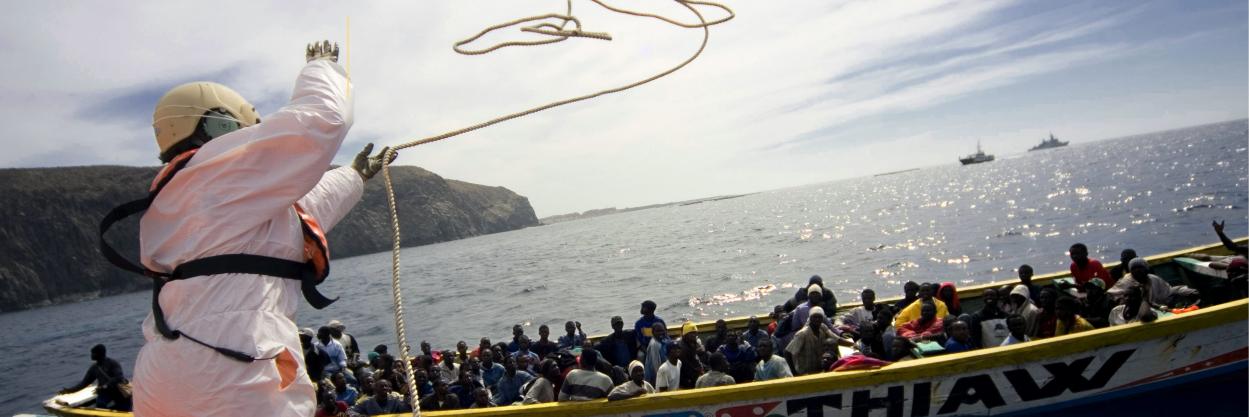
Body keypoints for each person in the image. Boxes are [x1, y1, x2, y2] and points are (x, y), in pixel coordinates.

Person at [126, 42, 391, 417]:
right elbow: (322, 119)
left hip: (162, 379)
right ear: (221, 121)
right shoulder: (220, 170)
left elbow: (292, 217)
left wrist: (354, 176)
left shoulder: (178, 198)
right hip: (235, 368)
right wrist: (321, 66)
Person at [60, 344, 131, 411]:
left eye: (93, 353)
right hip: (105, 393)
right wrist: (69, 391)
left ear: (99, 354)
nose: (91, 355)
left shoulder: (112, 363)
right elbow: (83, 384)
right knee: (100, 403)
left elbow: (118, 377)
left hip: (119, 391)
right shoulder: (94, 368)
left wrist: (105, 386)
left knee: (125, 409)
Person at [785, 306, 839, 375]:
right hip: (804, 373)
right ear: (810, 318)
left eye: (819, 317)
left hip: (818, 370)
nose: (817, 319)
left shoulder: (822, 328)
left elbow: (836, 338)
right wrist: (794, 373)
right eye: (815, 317)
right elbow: (787, 352)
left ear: (822, 319)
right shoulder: (802, 334)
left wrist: (852, 344)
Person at [676, 322, 708, 389]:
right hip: (686, 379)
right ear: (685, 335)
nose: (694, 335)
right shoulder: (683, 349)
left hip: (695, 371)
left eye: (695, 333)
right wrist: (701, 373)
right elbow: (687, 368)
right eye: (691, 333)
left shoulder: (692, 343)